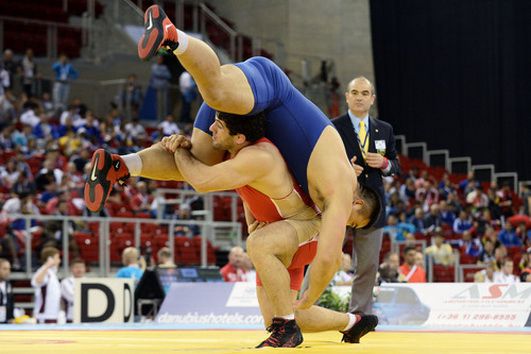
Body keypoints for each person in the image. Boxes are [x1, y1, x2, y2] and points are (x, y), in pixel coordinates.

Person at [87, 4, 374, 329]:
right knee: (219, 91)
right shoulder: (339, 190)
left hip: (254, 128)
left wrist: (251, 209)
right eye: (355, 222)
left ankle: (121, 165)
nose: (346, 225)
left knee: (199, 157)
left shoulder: (311, 181)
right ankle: (173, 35)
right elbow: (329, 258)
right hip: (272, 90)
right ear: (357, 203)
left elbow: (257, 185)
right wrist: (308, 298)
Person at [161, 112, 379, 347]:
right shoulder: (239, 153)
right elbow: (248, 190)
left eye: (353, 225)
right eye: (354, 222)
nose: (347, 225)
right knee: (282, 316)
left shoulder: (335, 194)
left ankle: (288, 326)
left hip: (304, 228)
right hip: (288, 230)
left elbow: (332, 258)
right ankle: (353, 322)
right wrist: (250, 219)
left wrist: (180, 149)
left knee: (260, 248)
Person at [331, 75, 400, 314]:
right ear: (347, 97)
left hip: (372, 206)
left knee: (368, 265)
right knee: (325, 257)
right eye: (355, 93)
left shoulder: (385, 129)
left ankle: (359, 315)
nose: (359, 97)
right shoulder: (332, 127)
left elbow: (395, 166)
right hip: (338, 202)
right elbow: (319, 163)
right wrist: (344, 168)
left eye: (364, 93)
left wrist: (383, 163)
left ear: (372, 99)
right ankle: (305, 309)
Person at [31, 247, 62, 323]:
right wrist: (47, 265)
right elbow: (37, 281)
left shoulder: (52, 273)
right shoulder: (44, 271)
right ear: (50, 259)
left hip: (53, 314)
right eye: (57, 258)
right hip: (45, 315)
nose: (59, 261)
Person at [60, 258, 86, 323]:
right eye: (76, 267)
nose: (79, 270)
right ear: (71, 269)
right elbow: (72, 297)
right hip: (71, 316)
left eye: (81, 267)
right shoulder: (66, 282)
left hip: (87, 317)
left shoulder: (89, 282)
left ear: (85, 269)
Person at [0, 258, 14, 323]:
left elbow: (10, 302)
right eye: (5, 269)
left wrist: (11, 317)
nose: (8, 271)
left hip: (5, 322)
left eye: (9, 269)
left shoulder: (8, 284)